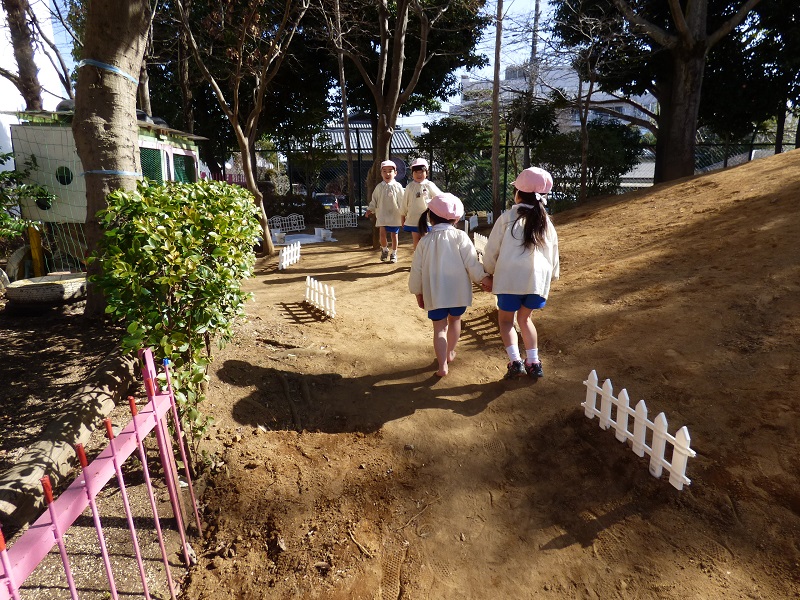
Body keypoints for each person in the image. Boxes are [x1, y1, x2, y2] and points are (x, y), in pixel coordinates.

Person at [482, 167, 559, 380]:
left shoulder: (507, 218)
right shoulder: (546, 221)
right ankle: (533, 362)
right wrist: (552, 276)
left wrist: (489, 272)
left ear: (518, 193)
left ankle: (515, 361)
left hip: (509, 279)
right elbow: (553, 253)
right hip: (536, 281)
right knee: (525, 319)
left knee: (506, 321)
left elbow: (492, 250)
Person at [409, 193, 492, 377]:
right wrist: (484, 279)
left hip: (435, 293)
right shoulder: (460, 237)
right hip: (458, 292)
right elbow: (472, 263)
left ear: (430, 217)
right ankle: (450, 353)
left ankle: (442, 366)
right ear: (456, 219)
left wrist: (417, 292)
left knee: (439, 329)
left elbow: (416, 271)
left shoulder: (424, 241)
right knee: (455, 321)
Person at [365, 160, 404, 263]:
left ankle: (394, 253)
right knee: (382, 234)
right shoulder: (379, 187)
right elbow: (374, 200)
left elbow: (403, 201)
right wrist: (370, 209)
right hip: (382, 214)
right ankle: (385, 249)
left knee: (394, 235)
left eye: (390, 171)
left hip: (395, 215)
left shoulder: (398, 186)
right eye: (384, 171)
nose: (387, 174)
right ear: (381, 173)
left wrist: (404, 213)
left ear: (395, 173)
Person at [401, 157, 442, 250]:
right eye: (416, 172)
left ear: (426, 173)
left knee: (425, 238)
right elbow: (404, 202)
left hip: (426, 218)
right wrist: (402, 216)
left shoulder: (429, 185)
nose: (419, 174)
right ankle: (417, 257)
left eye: (421, 172)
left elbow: (439, 197)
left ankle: (425, 257)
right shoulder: (409, 187)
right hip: (413, 218)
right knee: (416, 239)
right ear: (412, 173)